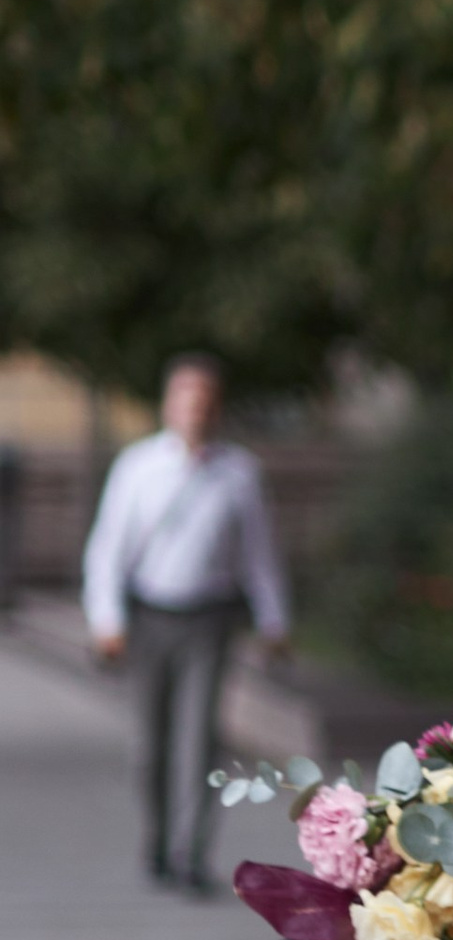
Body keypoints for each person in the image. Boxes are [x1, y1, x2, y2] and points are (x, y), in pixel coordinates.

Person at [83, 350, 290, 892]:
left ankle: (192, 853)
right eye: (186, 397)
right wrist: (106, 619)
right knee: (152, 748)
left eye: (206, 399)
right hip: (151, 617)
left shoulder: (238, 472)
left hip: (209, 620)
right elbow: (107, 549)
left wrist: (274, 619)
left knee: (200, 740)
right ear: (168, 404)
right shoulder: (137, 467)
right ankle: (156, 840)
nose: (196, 409)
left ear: (217, 407)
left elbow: (259, 554)